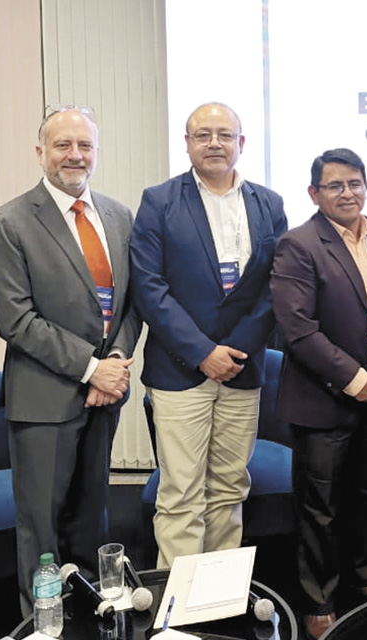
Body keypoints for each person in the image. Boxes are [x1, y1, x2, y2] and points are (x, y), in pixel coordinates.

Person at [0, 105, 140, 613]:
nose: (74, 155)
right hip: (44, 395)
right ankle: (43, 620)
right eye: (62, 145)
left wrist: (115, 360)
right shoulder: (10, 221)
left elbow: (130, 303)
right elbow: (16, 318)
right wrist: (90, 366)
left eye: (85, 146)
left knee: (92, 513)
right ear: (40, 153)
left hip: (107, 392)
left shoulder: (118, 215)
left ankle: (91, 609)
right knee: (42, 523)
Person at [131, 102, 287, 568]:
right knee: (180, 492)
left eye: (224, 134)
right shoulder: (159, 200)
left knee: (229, 488)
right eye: (203, 135)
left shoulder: (269, 203)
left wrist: (233, 349)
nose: (214, 143)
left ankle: (219, 602)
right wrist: (202, 352)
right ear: (187, 144)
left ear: (241, 143)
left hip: (242, 368)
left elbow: (277, 284)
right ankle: (177, 610)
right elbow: (148, 286)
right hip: (179, 370)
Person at [271, 148, 367, 639]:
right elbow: (298, 330)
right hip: (324, 397)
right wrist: (358, 379)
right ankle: (317, 598)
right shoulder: (298, 244)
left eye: (355, 183)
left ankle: (365, 577)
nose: (347, 193)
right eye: (335, 186)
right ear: (315, 193)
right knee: (321, 506)